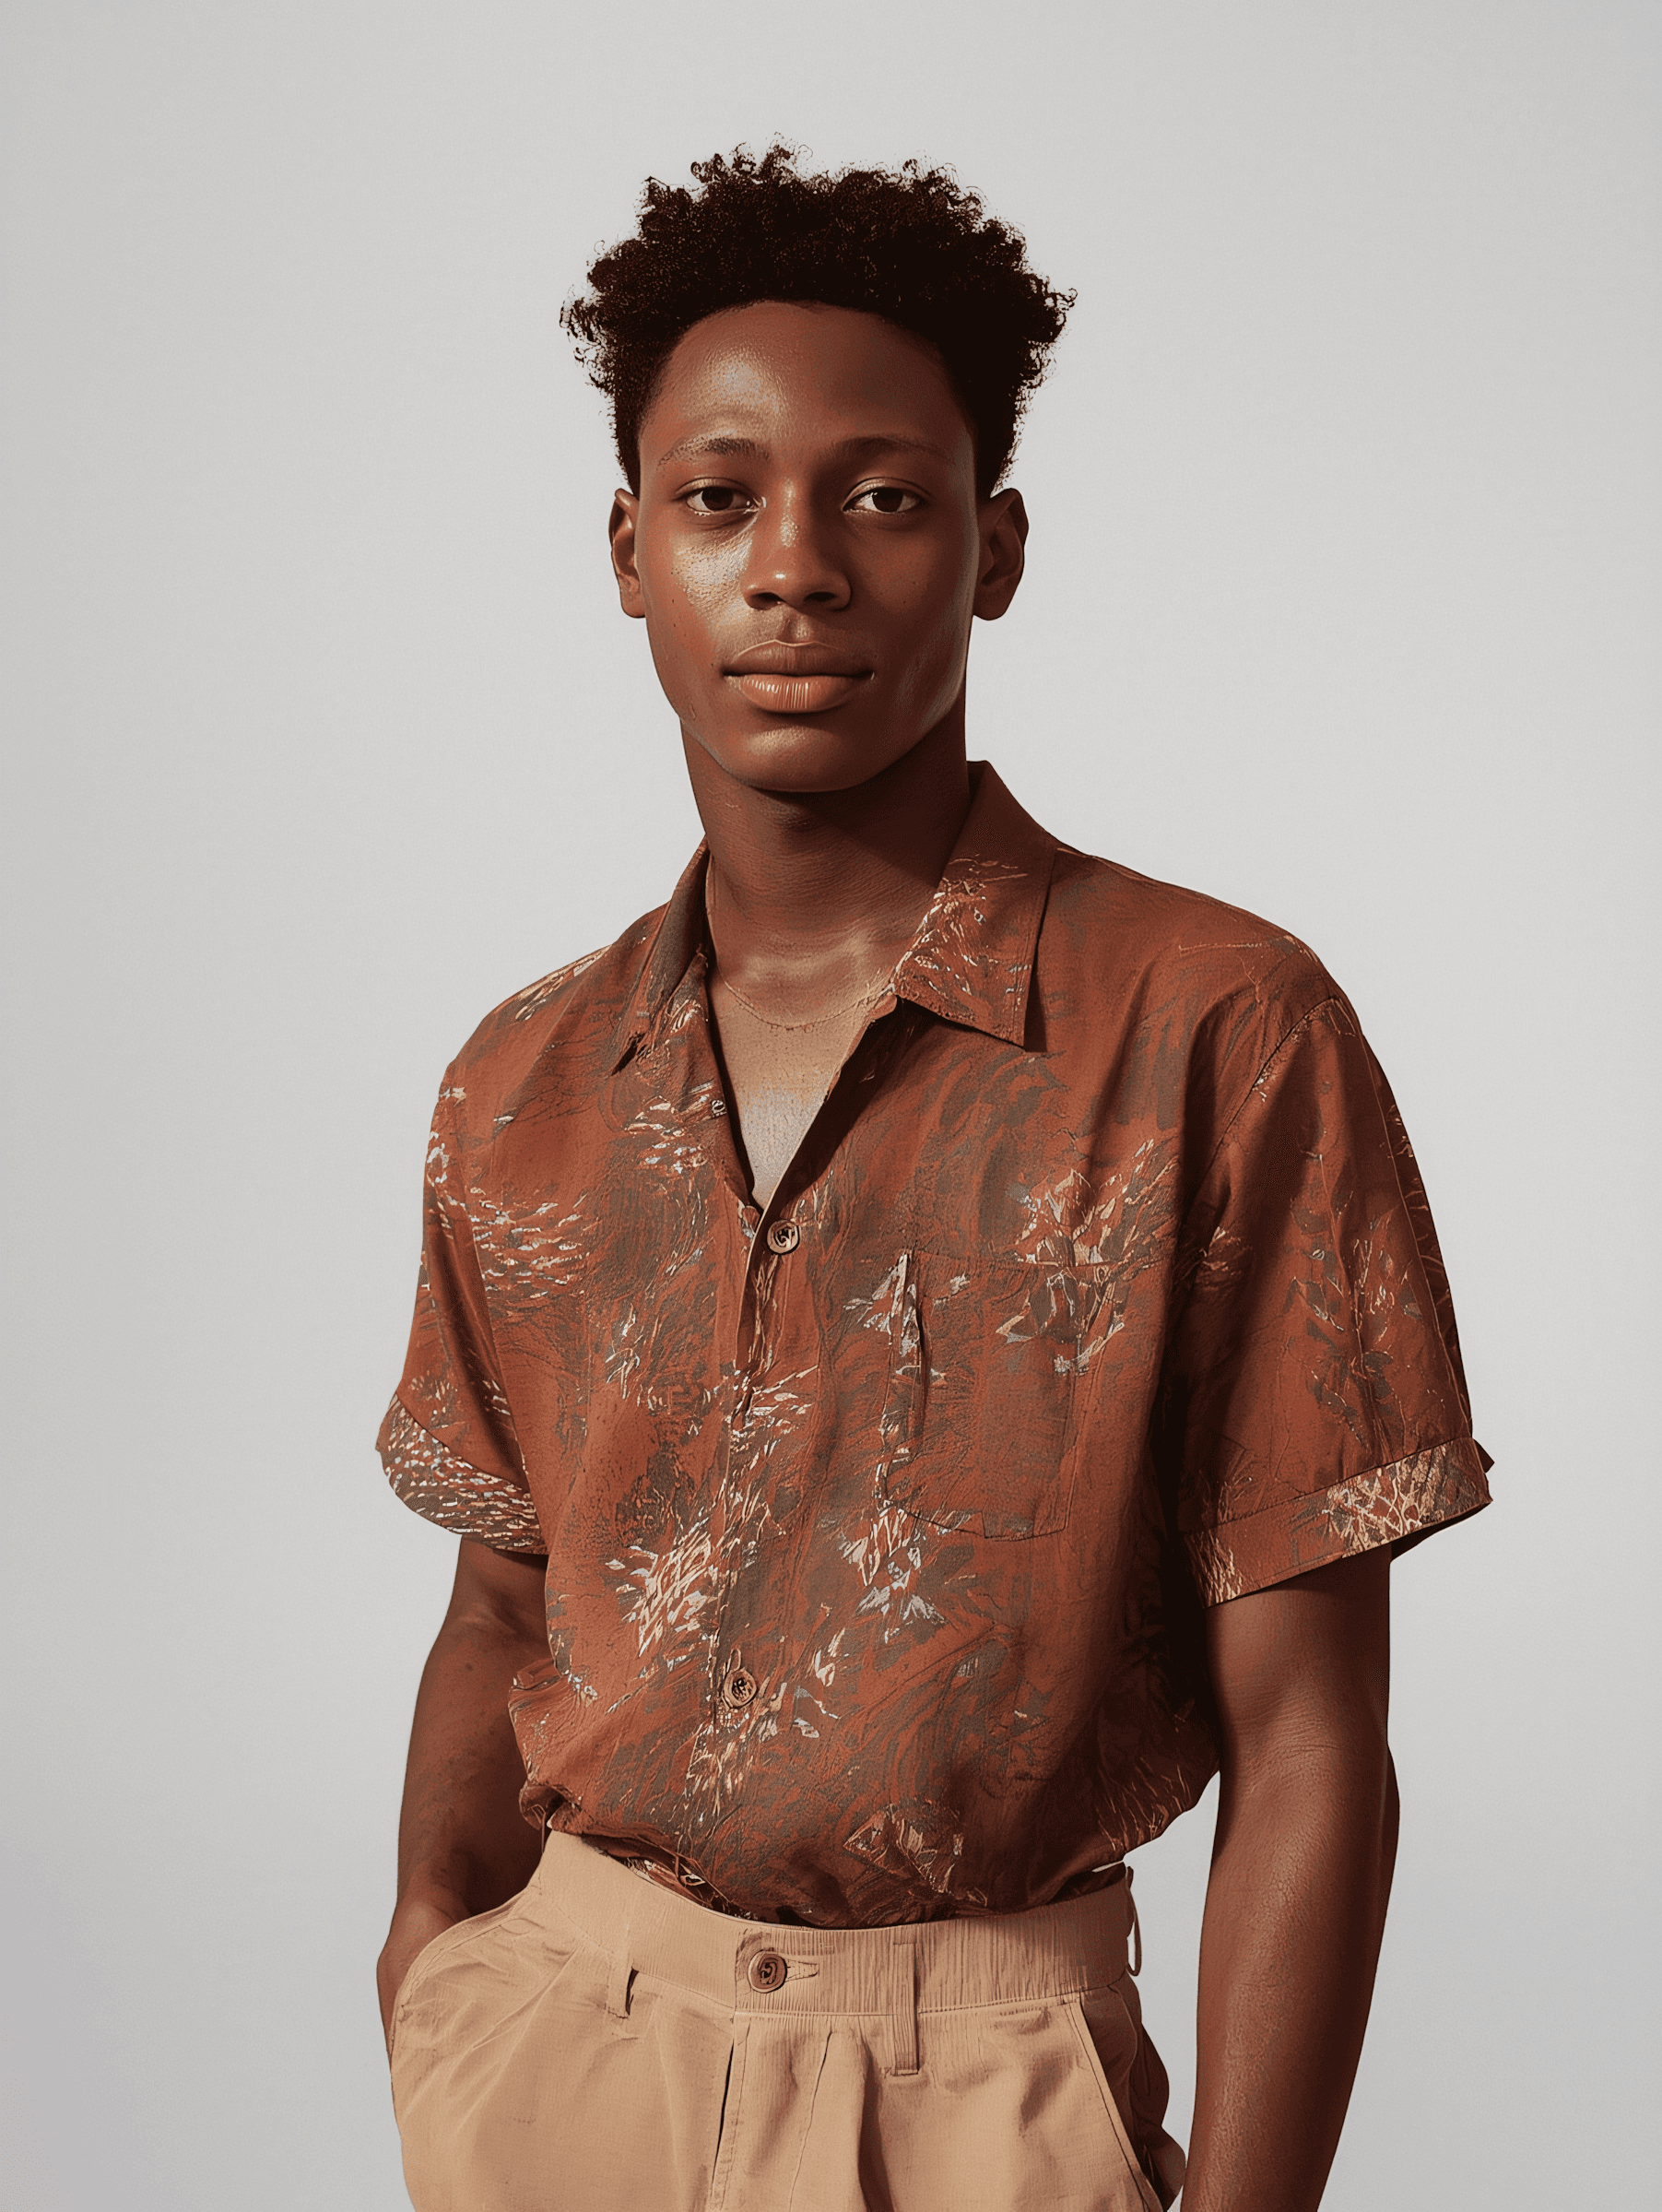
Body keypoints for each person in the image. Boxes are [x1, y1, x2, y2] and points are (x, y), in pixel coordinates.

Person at [373, 145, 1491, 2212]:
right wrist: (432, 1961)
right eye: (718, 499)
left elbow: (1315, 1731)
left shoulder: (1214, 1029)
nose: (793, 564)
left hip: (983, 2086)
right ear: (630, 552)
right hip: (557, 2065)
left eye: (880, 497)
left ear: (994, 547)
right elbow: (497, 1589)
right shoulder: (522, 1077)